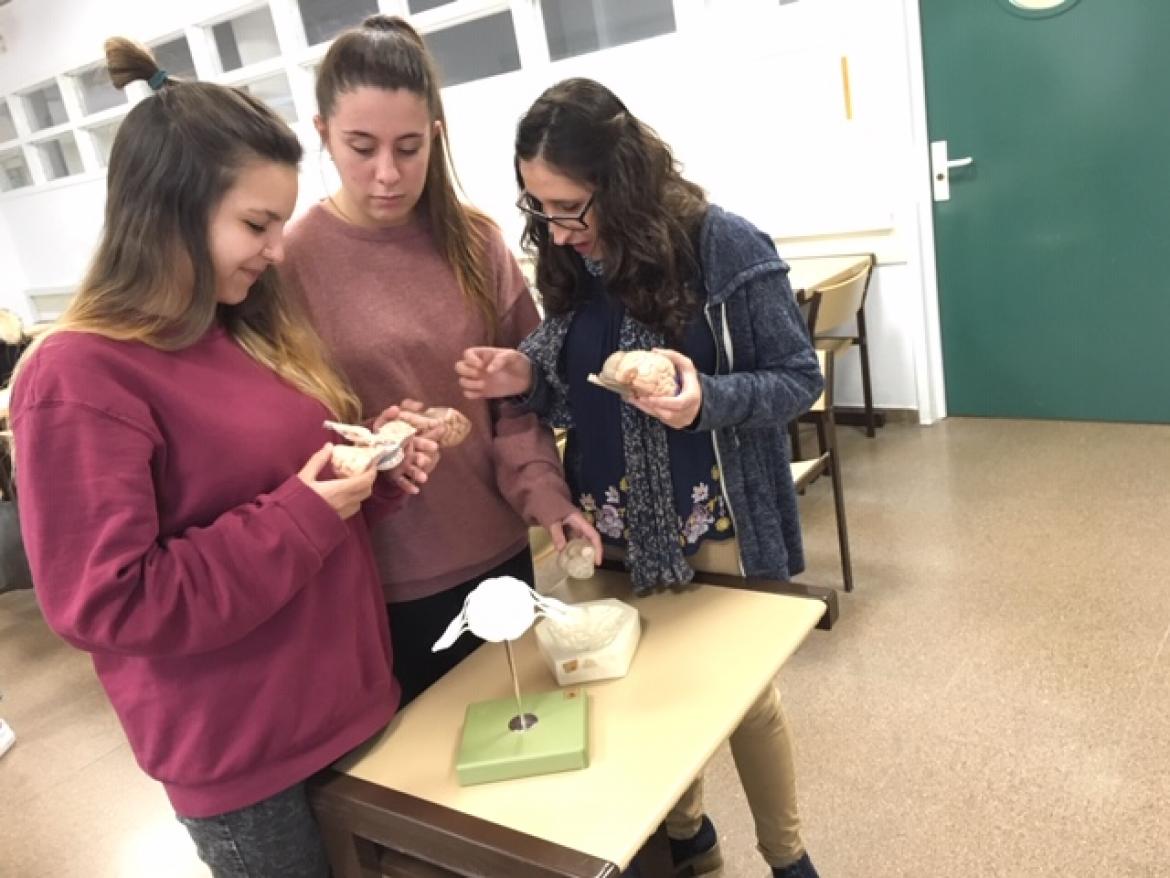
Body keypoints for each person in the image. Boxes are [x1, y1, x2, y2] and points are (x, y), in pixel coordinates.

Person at [8, 38, 437, 878]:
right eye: (256, 224)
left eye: (279, 222)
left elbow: (299, 500)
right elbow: (108, 604)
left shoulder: (242, 324)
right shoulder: (79, 374)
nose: (278, 249)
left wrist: (370, 475)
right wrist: (309, 512)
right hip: (247, 758)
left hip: (351, 701)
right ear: (167, 209)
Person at [456, 78, 823, 878]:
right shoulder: (577, 261)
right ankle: (688, 836)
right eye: (536, 208)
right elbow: (567, 383)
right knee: (651, 704)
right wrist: (524, 368)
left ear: (621, 183)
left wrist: (705, 401)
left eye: (568, 207)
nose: (554, 233)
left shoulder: (722, 245)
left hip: (712, 525)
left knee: (741, 703)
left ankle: (789, 859)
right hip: (606, 534)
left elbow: (799, 379)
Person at [282, 15, 600, 706]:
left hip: (499, 551)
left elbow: (521, 400)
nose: (388, 174)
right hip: (382, 578)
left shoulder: (475, 241)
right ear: (322, 134)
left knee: (526, 733)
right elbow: (284, 437)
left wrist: (547, 499)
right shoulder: (290, 264)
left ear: (437, 133)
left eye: (409, 147)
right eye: (360, 147)